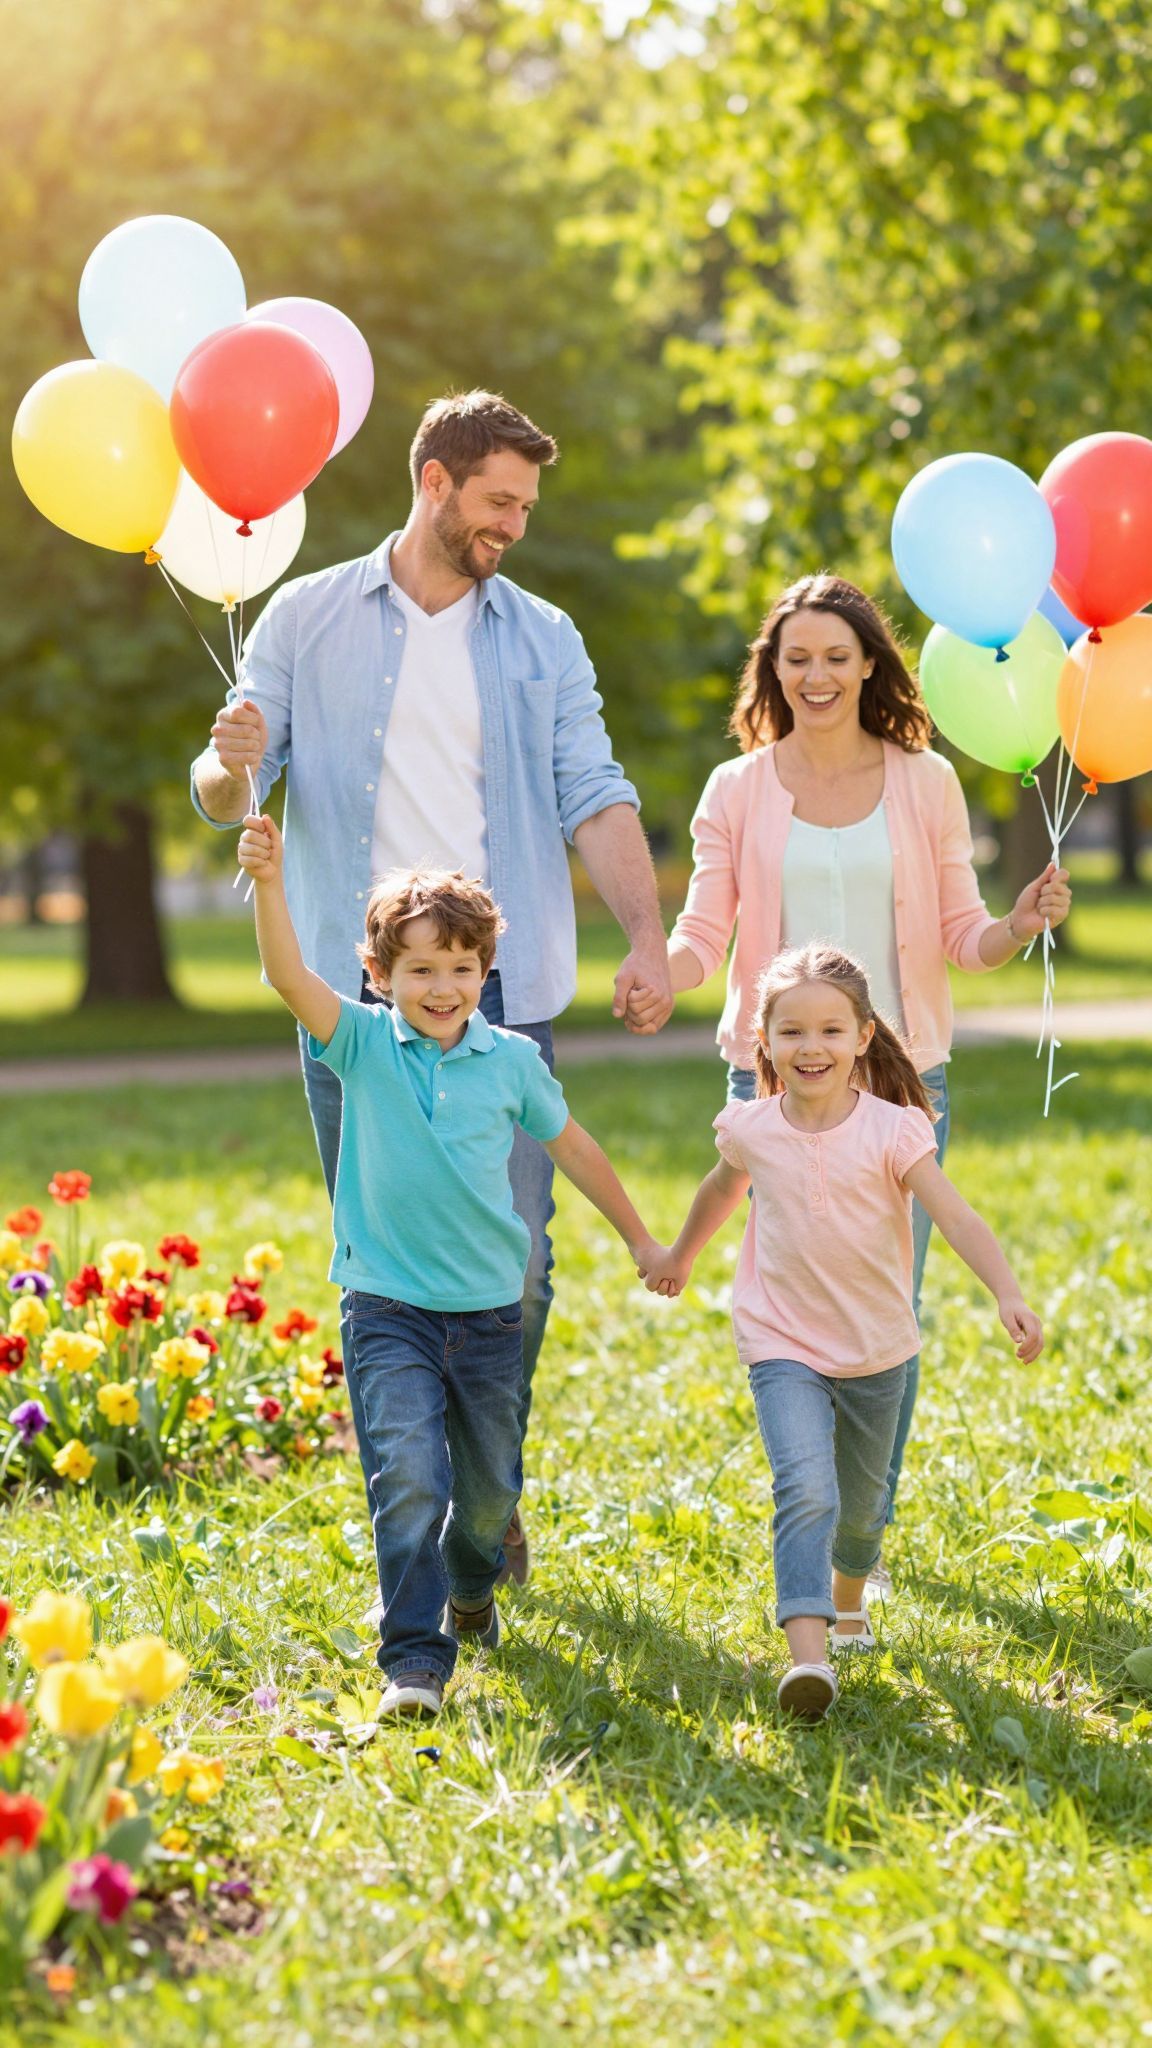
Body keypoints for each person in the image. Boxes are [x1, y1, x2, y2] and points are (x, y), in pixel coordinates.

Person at [191, 390, 673, 1581]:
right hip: (355, 1012)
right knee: (387, 1260)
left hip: (499, 996)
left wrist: (650, 938)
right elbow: (224, 784)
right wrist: (225, 762)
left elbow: (595, 790)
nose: (513, 524)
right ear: (436, 482)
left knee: (515, 1264)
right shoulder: (306, 617)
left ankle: (484, 1489)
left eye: (525, 506)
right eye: (499, 500)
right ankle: (426, 1509)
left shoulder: (544, 635)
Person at [635, 573, 1069, 1542]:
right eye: (798, 658)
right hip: (776, 1080)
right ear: (773, 669)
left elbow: (965, 936)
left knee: (885, 1312)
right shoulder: (736, 788)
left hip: (904, 1076)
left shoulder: (927, 781)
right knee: (788, 1305)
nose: (817, 674)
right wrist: (657, 973)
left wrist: (1018, 922)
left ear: (871, 662)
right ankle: (815, 1503)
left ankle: (857, 1537)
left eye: (837, 656)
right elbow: (703, 934)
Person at [236, 814, 665, 1719]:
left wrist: (640, 1237)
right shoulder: (356, 1041)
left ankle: (472, 1586)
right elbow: (282, 975)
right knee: (408, 1479)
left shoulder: (509, 1060)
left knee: (485, 1497)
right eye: (420, 970)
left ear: (486, 974)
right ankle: (414, 1664)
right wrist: (270, 880)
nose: (442, 987)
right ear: (379, 975)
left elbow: (577, 1150)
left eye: (461, 969)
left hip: (488, 1317)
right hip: (386, 1306)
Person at [642, 942, 1043, 1722]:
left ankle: (849, 1597)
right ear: (764, 1041)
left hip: (876, 1345)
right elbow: (721, 1190)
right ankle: (808, 1656)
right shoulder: (751, 1127)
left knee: (861, 1511)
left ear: (864, 1037)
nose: (811, 1048)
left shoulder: (894, 1131)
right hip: (780, 1340)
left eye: (830, 1031)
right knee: (805, 1487)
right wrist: (679, 1256)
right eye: (792, 1032)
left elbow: (954, 1215)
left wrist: (1006, 1292)